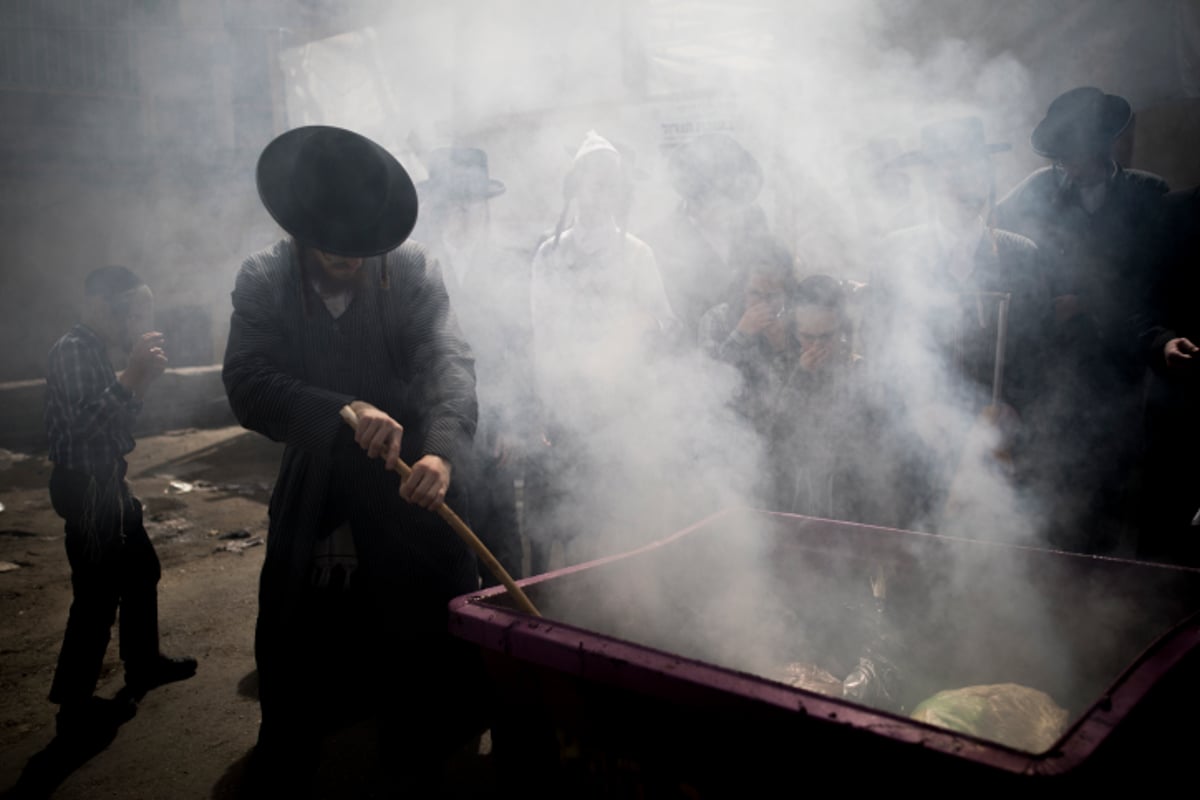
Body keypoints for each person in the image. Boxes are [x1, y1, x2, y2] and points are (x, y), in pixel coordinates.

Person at [222, 125, 483, 796]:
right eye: (332, 244)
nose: (347, 256)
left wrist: (444, 454)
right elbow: (249, 381)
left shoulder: (414, 270)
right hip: (318, 474)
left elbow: (448, 363)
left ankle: (423, 746)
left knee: (423, 630)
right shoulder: (262, 278)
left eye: (361, 245)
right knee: (302, 634)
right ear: (302, 225)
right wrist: (342, 410)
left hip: (412, 475)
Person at [993, 86, 1171, 554]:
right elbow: (999, 252)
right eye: (1059, 154)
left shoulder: (1149, 194)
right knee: (1045, 498)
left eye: (1074, 152)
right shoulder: (1034, 191)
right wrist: (1045, 302)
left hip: (1120, 369)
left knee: (1111, 498)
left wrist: (1094, 303)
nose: (1065, 164)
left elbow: (1154, 284)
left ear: (1105, 145)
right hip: (1048, 373)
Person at [868, 116, 1050, 538]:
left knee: (991, 556)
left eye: (971, 165)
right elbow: (879, 349)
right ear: (929, 178)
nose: (961, 177)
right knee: (918, 550)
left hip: (998, 441)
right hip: (917, 438)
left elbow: (1042, 352)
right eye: (947, 166)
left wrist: (1012, 410)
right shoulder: (894, 252)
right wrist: (914, 406)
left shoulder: (1021, 253)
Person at [43, 265, 197, 744]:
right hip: (86, 489)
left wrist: (140, 379)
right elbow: (86, 426)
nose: (134, 321)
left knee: (141, 570)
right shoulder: (72, 350)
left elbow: (117, 426)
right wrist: (132, 374)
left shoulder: (94, 350)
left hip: (108, 482)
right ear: (97, 306)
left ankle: (143, 663)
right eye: (129, 311)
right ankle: (73, 705)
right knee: (95, 596)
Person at [525, 129, 676, 571]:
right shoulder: (549, 254)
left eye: (608, 183)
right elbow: (541, 336)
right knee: (563, 525)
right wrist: (542, 408)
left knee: (614, 521)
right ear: (574, 187)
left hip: (622, 410)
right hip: (566, 411)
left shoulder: (636, 254)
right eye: (590, 181)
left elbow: (664, 323)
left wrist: (637, 329)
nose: (598, 192)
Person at [412, 146, 532, 587]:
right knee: (438, 543)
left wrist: (517, 422)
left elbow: (522, 349)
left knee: (499, 545)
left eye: (471, 198)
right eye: (453, 197)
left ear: (484, 205)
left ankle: (510, 641)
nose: (462, 208)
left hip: (494, 425)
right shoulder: (417, 264)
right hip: (432, 426)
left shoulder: (510, 266)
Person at [644, 132, 772, 343]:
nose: (735, 209)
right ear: (694, 193)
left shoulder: (754, 220)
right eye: (726, 198)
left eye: (738, 198)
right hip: (697, 364)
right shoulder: (658, 244)